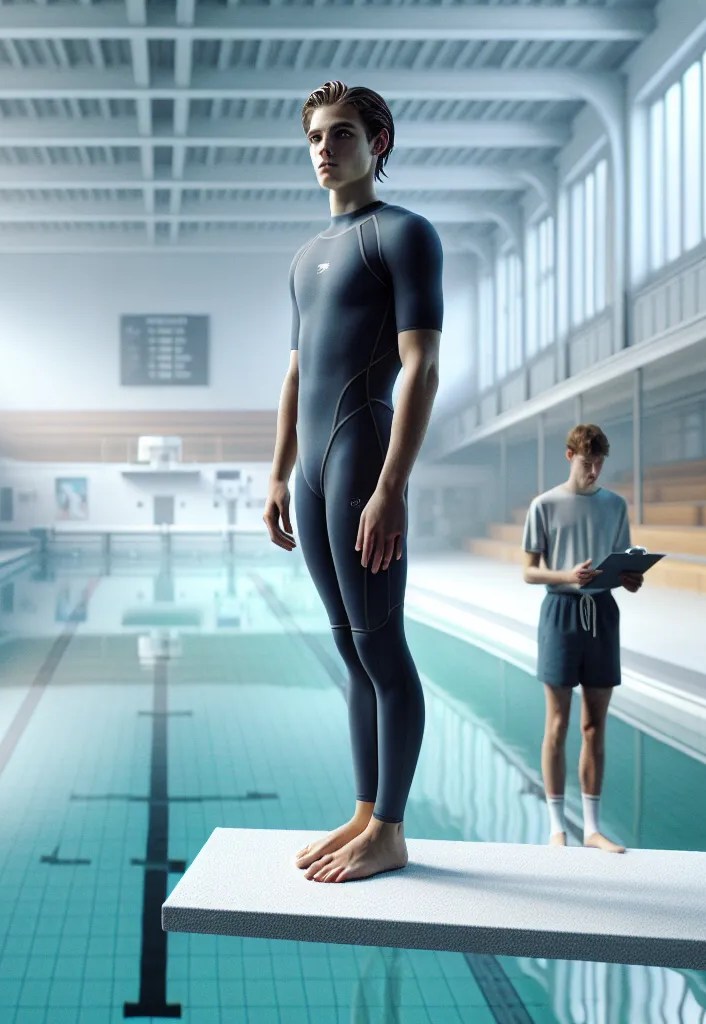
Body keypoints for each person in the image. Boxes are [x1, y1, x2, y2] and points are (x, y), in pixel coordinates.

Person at [263, 80, 444, 884]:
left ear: (380, 142)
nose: (325, 150)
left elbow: (422, 365)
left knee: (381, 644)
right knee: (348, 648)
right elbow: (297, 374)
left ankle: (393, 830)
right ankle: (367, 809)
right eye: (315, 138)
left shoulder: (403, 235)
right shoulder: (305, 257)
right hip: (311, 470)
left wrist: (391, 486)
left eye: (341, 135)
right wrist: (276, 474)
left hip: (363, 456)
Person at [520, 425, 642, 854]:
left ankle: (591, 828)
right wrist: (567, 577)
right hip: (560, 613)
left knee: (595, 726)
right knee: (557, 724)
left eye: (600, 463)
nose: (594, 471)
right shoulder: (545, 505)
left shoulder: (615, 505)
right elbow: (529, 571)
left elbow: (624, 564)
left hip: (602, 614)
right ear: (570, 455)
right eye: (587, 463)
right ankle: (557, 826)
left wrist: (630, 579)